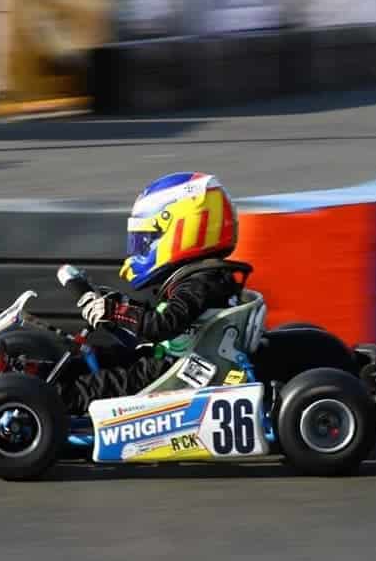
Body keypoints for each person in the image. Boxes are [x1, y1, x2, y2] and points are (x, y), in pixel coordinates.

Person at [59, 172, 243, 414]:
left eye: (150, 237)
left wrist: (116, 311)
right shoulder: (205, 276)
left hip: (174, 371)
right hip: (170, 359)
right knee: (85, 363)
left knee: (75, 392)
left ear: (184, 227)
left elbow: (164, 324)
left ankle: (39, 404)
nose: (144, 244)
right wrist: (118, 305)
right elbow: (165, 321)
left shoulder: (202, 282)